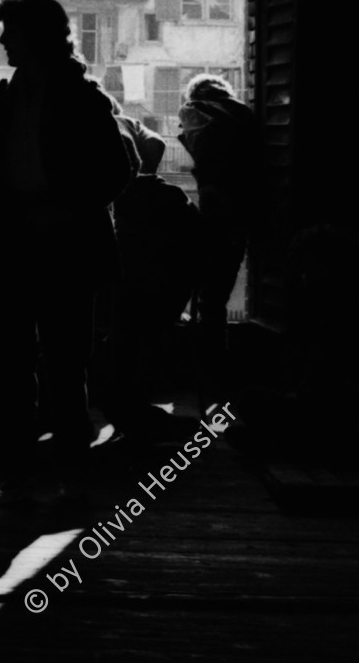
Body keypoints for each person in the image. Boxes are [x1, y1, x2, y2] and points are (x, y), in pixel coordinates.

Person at [0, 0, 137, 506]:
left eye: (11, 31)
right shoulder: (6, 96)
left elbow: (121, 169)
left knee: (60, 362)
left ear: (35, 36)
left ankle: (60, 470)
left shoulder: (84, 98)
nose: (4, 40)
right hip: (18, 244)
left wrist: (68, 207)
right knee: (18, 364)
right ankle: (34, 472)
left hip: (61, 245)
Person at [96, 117, 200, 441]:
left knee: (123, 341)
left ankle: (129, 412)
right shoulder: (169, 196)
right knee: (142, 342)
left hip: (136, 294)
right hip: (167, 292)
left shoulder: (120, 207)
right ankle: (136, 411)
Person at [177, 73, 261, 412]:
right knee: (217, 298)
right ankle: (218, 376)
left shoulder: (196, 111)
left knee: (203, 299)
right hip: (242, 215)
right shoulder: (243, 115)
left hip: (213, 213)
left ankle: (207, 375)